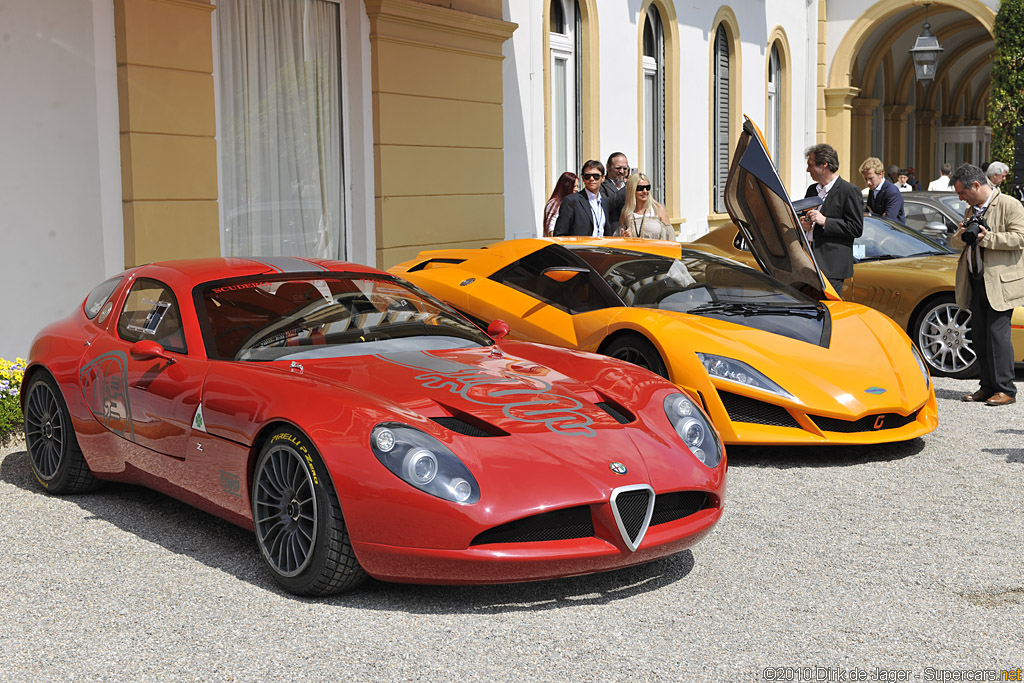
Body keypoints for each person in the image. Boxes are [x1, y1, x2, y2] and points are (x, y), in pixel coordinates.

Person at [949, 163, 1024, 406]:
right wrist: (963, 234)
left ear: (977, 185)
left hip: (1001, 283)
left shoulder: (1009, 205)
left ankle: (1006, 390)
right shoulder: (971, 211)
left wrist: (987, 238)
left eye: (962, 193)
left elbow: (1020, 238)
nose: (961, 198)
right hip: (976, 281)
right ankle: (987, 386)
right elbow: (956, 243)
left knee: (997, 336)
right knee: (979, 336)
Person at [801, 143, 864, 296]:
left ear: (824, 165)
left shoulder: (849, 191)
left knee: (828, 310)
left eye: (810, 165)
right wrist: (803, 223)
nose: (807, 170)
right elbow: (803, 216)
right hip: (808, 263)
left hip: (831, 267)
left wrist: (825, 221)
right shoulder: (812, 190)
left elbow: (856, 228)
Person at [553, 160, 623, 237]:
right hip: (579, 248)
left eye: (596, 176)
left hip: (601, 247)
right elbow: (560, 234)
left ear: (602, 178)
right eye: (587, 176)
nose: (591, 179)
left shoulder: (604, 201)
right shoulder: (572, 201)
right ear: (583, 178)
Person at [619, 172, 675, 240]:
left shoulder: (658, 209)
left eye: (647, 187)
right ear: (632, 190)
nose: (645, 191)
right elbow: (619, 237)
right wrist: (624, 236)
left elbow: (670, 238)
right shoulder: (626, 212)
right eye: (640, 188)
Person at [860, 157, 905, 224]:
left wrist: (871, 215)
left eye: (871, 178)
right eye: (865, 179)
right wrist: (879, 216)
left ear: (880, 174)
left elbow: (888, 221)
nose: (868, 182)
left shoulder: (892, 192)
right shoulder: (872, 190)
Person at [542, 171, 578, 236]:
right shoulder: (554, 203)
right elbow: (551, 229)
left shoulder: (573, 203)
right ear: (566, 186)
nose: (576, 189)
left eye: (577, 186)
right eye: (573, 186)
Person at [601, 152, 630, 225]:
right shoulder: (601, 186)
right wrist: (627, 188)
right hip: (613, 232)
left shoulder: (630, 185)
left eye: (625, 168)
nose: (622, 171)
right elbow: (605, 205)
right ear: (608, 167)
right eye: (618, 168)